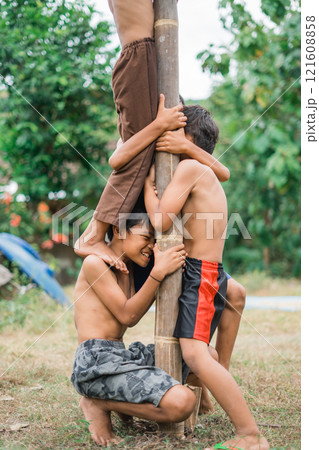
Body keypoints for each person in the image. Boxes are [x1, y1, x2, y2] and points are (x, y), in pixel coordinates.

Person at [144, 104, 269, 450]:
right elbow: (225, 170)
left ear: (184, 140)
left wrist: (147, 184)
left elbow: (160, 222)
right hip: (212, 270)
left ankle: (251, 434)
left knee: (196, 354)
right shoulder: (207, 169)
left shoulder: (187, 169)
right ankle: (216, 392)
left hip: (201, 274)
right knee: (208, 338)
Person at [74, 0, 230, 275]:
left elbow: (223, 172)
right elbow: (120, 159)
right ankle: (92, 236)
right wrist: (159, 126)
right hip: (140, 56)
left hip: (138, 55)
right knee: (138, 157)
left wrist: (176, 142)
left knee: (140, 154)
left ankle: (94, 235)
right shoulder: (141, 60)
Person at [71, 212, 197, 447]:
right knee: (182, 402)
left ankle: (117, 402)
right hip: (95, 364)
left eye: (154, 241)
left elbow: (134, 313)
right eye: (146, 238)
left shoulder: (125, 269)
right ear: (118, 231)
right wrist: (158, 273)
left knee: (204, 356)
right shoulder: (94, 263)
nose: (150, 246)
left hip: (120, 355)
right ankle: (97, 403)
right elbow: (128, 315)